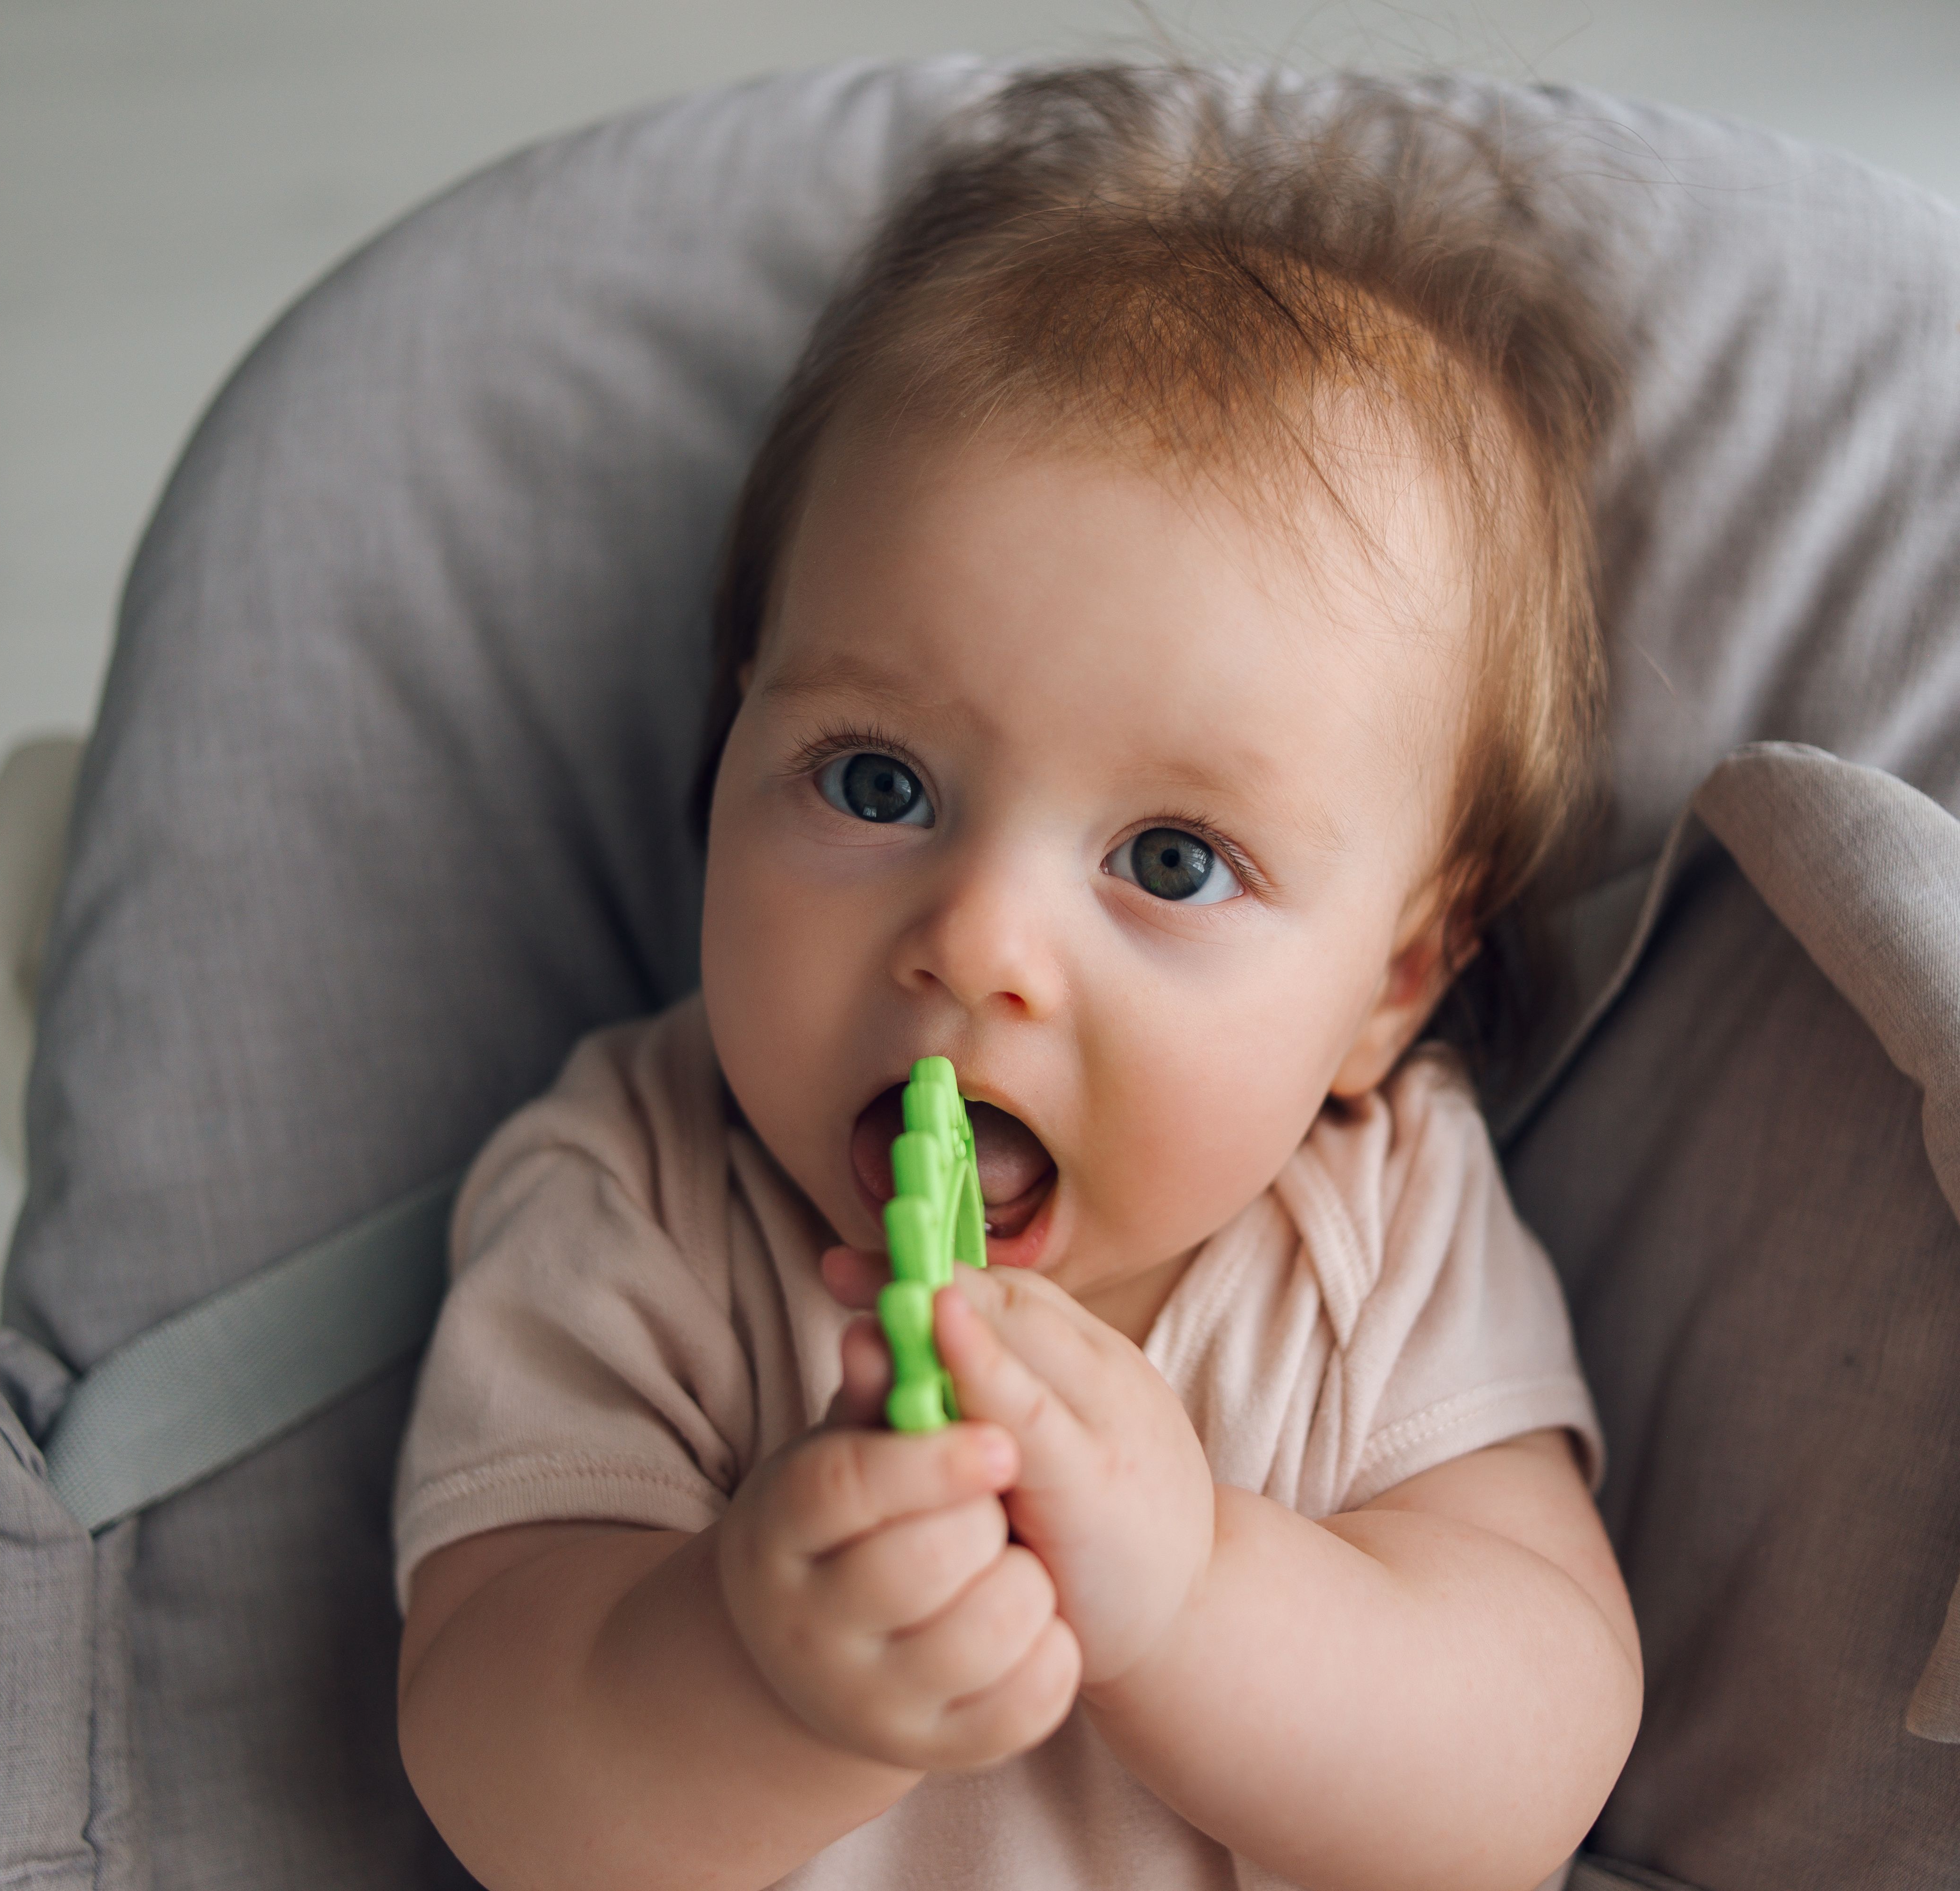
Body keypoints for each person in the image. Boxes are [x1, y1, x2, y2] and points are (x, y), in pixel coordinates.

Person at [391, 66, 1641, 1891]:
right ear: (729, 744)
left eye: (1171, 860)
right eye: (876, 782)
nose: (974, 940)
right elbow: (491, 1757)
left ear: (1389, 981)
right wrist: (755, 1670)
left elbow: (1532, 1752)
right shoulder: (628, 1192)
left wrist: (1194, 1595)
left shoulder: (1380, 1235)